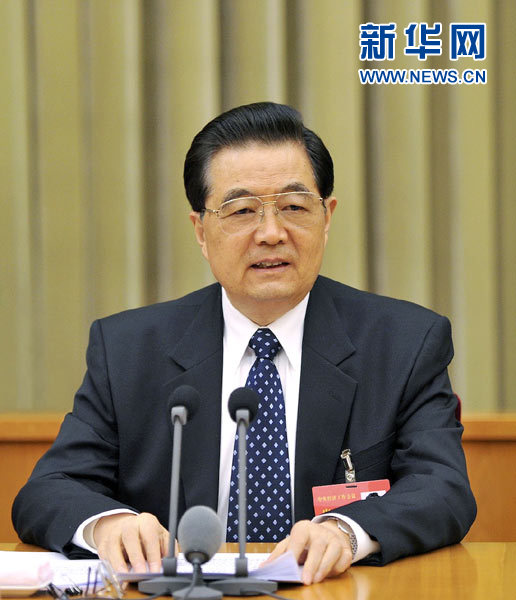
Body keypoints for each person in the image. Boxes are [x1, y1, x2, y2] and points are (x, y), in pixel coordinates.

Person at [12, 102, 476, 585]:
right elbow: (49, 489)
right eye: (242, 211)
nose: (271, 233)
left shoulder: (403, 343)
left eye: (294, 207)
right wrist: (109, 525)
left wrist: (346, 531)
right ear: (200, 230)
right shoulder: (129, 350)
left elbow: (442, 488)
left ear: (327, 217)